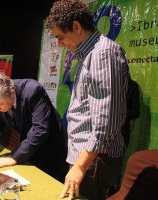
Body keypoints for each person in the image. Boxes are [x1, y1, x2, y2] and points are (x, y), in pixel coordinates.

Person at [45, 0, 129, 199]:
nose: (59, 44)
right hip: (85, 156)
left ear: (76, 27)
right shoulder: (87, 54)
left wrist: (80, 165)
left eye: (60, 37)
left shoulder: (103, 55)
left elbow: (105, 124)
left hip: (94, 159)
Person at [0, 72, 68, 182]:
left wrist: (14, 157)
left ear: (12, 93)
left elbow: (40, 129)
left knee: (50, 183)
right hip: (28, 145)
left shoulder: (33, 90)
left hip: (51, 146)